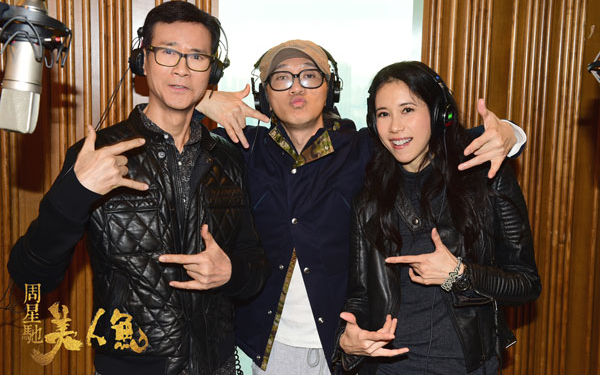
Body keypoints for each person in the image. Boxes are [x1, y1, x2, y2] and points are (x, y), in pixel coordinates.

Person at [196, 40, 527, 375]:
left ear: (331, 88)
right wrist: (203, 100)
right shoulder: (240, 148)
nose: (296, 87)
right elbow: (175, 138)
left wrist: (510, 133)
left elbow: (449, 139)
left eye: (309, 75)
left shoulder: (363, 148)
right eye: (281, 78)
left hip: (347, 345)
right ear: (264, 93)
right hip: (271, 345)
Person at [7, 0, 269, 375]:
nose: (182, 68)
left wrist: (232, 272)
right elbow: (30, 277)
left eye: (197, 57)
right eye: (168, 52)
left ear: (211, 71)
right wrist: (76, 191)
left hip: (219, 365)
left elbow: (255, 266)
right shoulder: (98, 155)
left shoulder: (227, 158)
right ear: (142, 61)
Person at [334, 61, 541, 374]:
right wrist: (347, 339)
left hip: (467, 368)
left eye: (407, 110)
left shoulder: (486, 176)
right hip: (391, 369)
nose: (394, 127)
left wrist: (460, 275)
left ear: (437, 113)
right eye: (383, 114)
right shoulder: (369, 200)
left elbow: (526, 283)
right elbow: (361, 298)